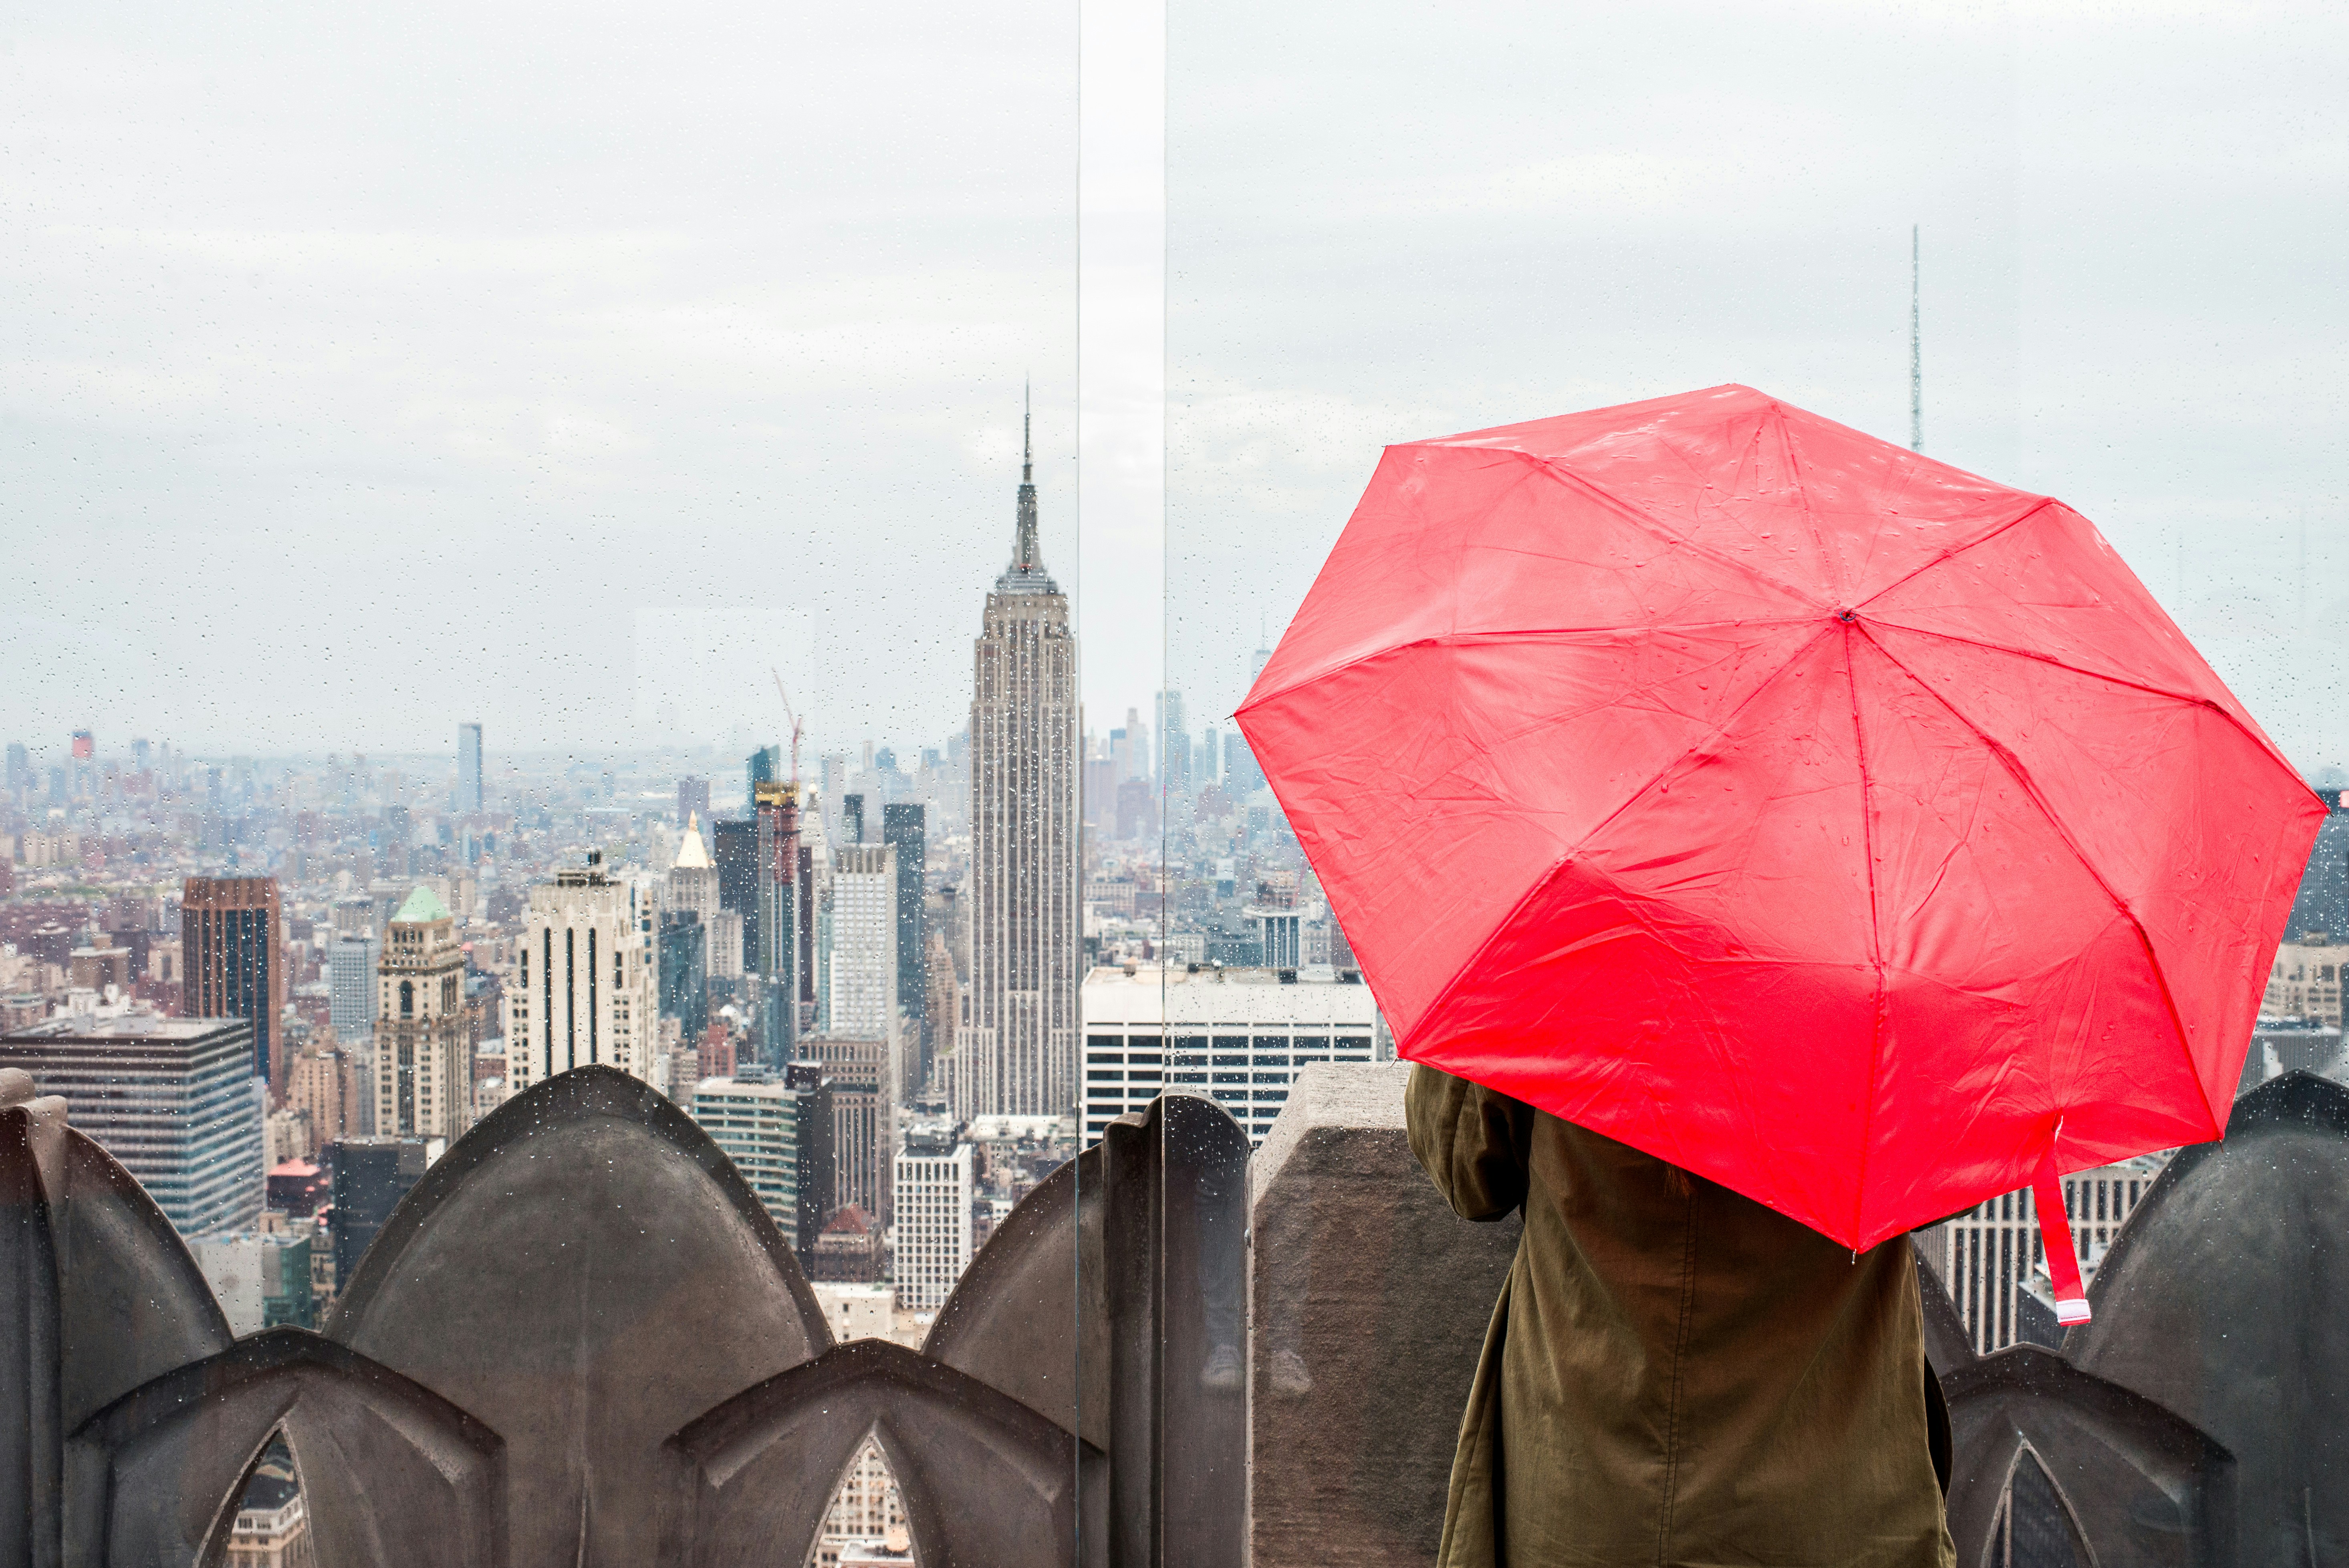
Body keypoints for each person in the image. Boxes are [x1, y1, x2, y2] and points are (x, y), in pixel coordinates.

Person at [1407, 1063, 1954, 1568]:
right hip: (1832, 1499)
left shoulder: (1553, 989)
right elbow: (1949, 1171)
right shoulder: (1880, 1003)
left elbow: (1464, 1167)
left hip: (1583, 1488)